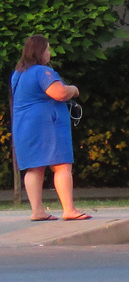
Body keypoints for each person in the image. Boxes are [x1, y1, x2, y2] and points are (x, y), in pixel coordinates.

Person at [8, 35, 88, 221]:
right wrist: (73, 89)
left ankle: (37, 211)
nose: (50, 53)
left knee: (34, 168)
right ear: (40, 51)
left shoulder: (18, 74)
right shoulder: (43, 72)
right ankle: (69, 209)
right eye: (48, 49)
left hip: (24, 125)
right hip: (47, 126)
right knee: (61, 165)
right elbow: (59, 93)